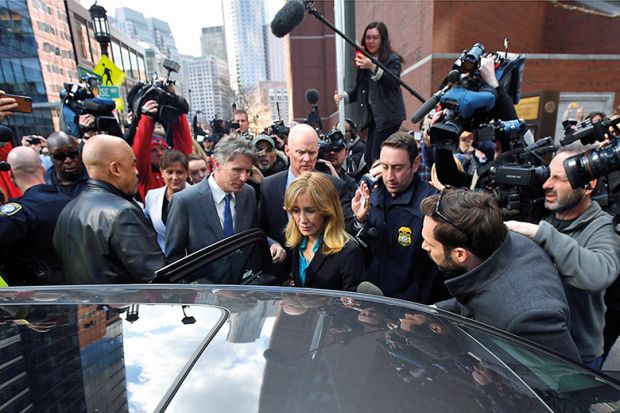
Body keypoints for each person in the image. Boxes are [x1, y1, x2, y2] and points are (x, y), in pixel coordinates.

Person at [420, 188, 580, 360]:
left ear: (460, 254)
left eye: (430, 243)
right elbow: (477, 295)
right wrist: (435, 311)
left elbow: (564, 376)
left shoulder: (528, 317)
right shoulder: (504, 242)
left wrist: (491, 374)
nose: (423, 246)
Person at [505, 144, 620, 369]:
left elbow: (597, 274)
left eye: (559, 179)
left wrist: (540, 234)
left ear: (588, 185)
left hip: (577, 358)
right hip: (532, 350)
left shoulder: (603, 227)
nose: (547, 184)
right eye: (549, 176)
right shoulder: (541, 216)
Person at [53, 134, 165, 284]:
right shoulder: (123, 212)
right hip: (123, 305)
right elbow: (157, 278)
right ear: (115, 169)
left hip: (86, 305)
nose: (136, 171)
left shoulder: (67, 210)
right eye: (132, 165)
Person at [352, 132, 445, 303]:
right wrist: (359, 221)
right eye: (385, 167)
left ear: (415, 164)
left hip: (411, 311)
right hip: (371, 303)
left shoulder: (431, 204)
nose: (390, 176)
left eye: (397, 168)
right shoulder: (371, 195)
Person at [165, 136, 286, 264]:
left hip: (245, 280)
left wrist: (271, 244)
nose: (244, 178)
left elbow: (253, 232)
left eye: (248, 171)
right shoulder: (184, 201)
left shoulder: (248, 193)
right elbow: (173, 257)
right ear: (217, 164)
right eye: (237, 170)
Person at [260, 124, 354, 262]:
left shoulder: (335, 186)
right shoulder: (269, 186)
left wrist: (359, 219)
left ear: (318, 151)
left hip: (322, 273)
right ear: (287, 150)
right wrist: (271, 243)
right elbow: (261, 228)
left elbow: (346, 230)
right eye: (300, 152)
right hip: (281, 271)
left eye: (312, 153)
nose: (307, 159)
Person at [334, 21, 406, 164]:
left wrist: (372, 66)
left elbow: (392, 81)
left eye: (375, 38)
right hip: (375, 118)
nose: (371, 41)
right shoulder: (364, 61)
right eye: (368, 38)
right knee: (369, 157)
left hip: (389, 116)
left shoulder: (391, 59)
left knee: (376, 157)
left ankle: (381, 184)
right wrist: (344, 97)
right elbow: (360, 90)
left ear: (382, 39)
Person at [0, 146, 71, 285]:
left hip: (38, 298)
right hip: (80, 291)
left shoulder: (19, 213)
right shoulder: (71, 201)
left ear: (11, 175)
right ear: (43, 170)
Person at [284, 172, 364, 291]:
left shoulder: (348, 252)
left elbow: (352, 305)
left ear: (327, 210)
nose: (302, 220)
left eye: (310, 211)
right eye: (296, 211)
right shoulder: (297, 243)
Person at [132, 99, 193, 201]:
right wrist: (147, 118)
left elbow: (184, 149)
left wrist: (178, 112)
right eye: (153, 150)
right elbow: (140, 152)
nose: (160, 153)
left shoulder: (178, 167)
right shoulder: (145, 176)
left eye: (162, 148)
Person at [144, 150, 190, 251]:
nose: (174, 177)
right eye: (169, 172)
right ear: (162, 172)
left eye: (179, 172)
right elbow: (148, 230)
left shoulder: (197, 196)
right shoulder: (151, 196)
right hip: (162, 260)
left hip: (191, 259)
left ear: (186, 173)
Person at [45, 131, 89, 198]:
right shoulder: (45, 185)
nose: (68, 160)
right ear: (51, 158)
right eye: (60, 156)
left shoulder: (95, 177)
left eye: (73, 154)